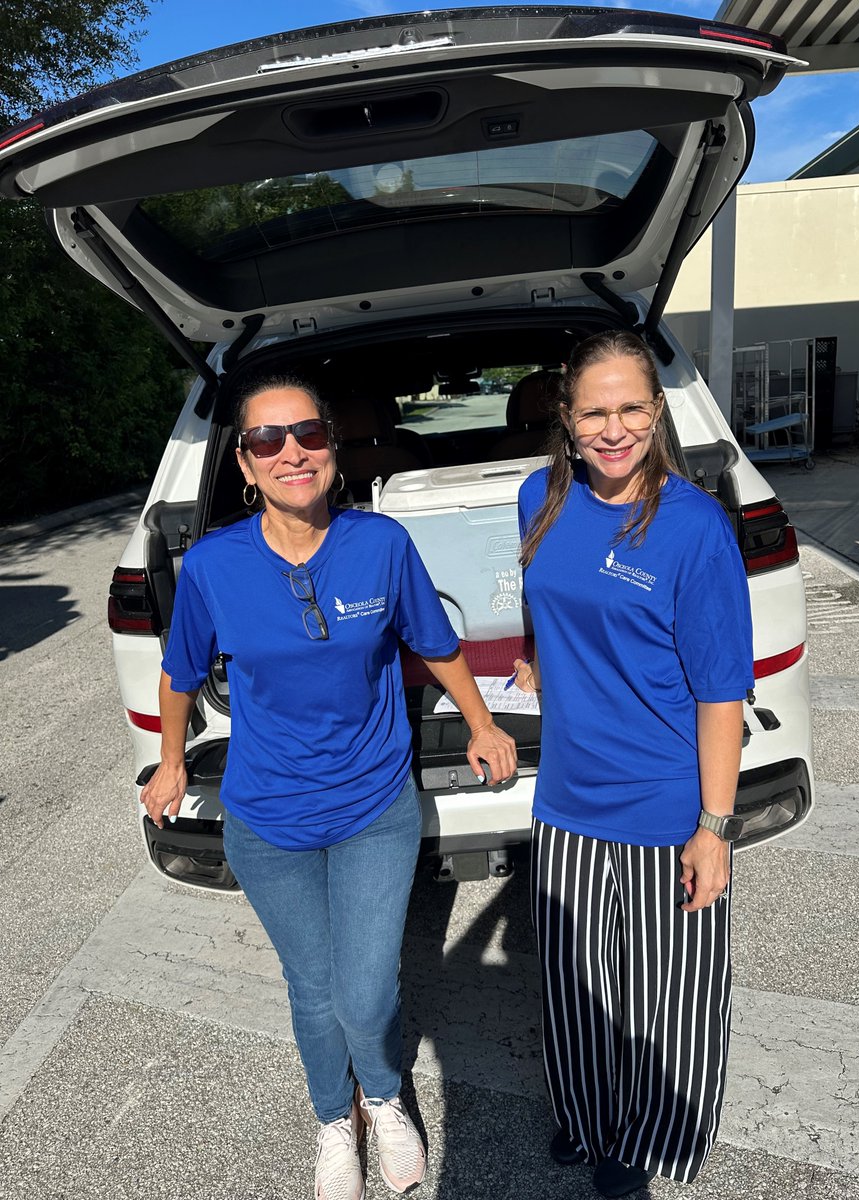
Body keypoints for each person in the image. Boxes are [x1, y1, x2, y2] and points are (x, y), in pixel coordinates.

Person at [141, 377, 517, 1200]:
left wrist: (483, 723)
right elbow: (178, 672)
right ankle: (332, 1116)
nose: (291, 452)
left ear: (333, 449)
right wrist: (172, 759)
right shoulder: (212, 565)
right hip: (267, 822)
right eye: (268, 440)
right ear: (244, 461)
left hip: (371, 812)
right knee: (311, 988)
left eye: (307, 433)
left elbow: (436, 640)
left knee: (365, 986)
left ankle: (381, 1096)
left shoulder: (379, 545)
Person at [512, 331, 753, 1198]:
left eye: (630, 409)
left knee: (665, 1005)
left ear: (656, 412)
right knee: (575, 995)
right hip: (567, 800)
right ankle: (583, 1120)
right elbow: (549, 590)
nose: (613, 430)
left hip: (664, 805)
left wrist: (713, 829)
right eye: (593, 412)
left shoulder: (692, 528)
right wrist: (543, 653)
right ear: (566, 422)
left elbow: (722, 690)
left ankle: (643, 1140)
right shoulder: (538, 496)